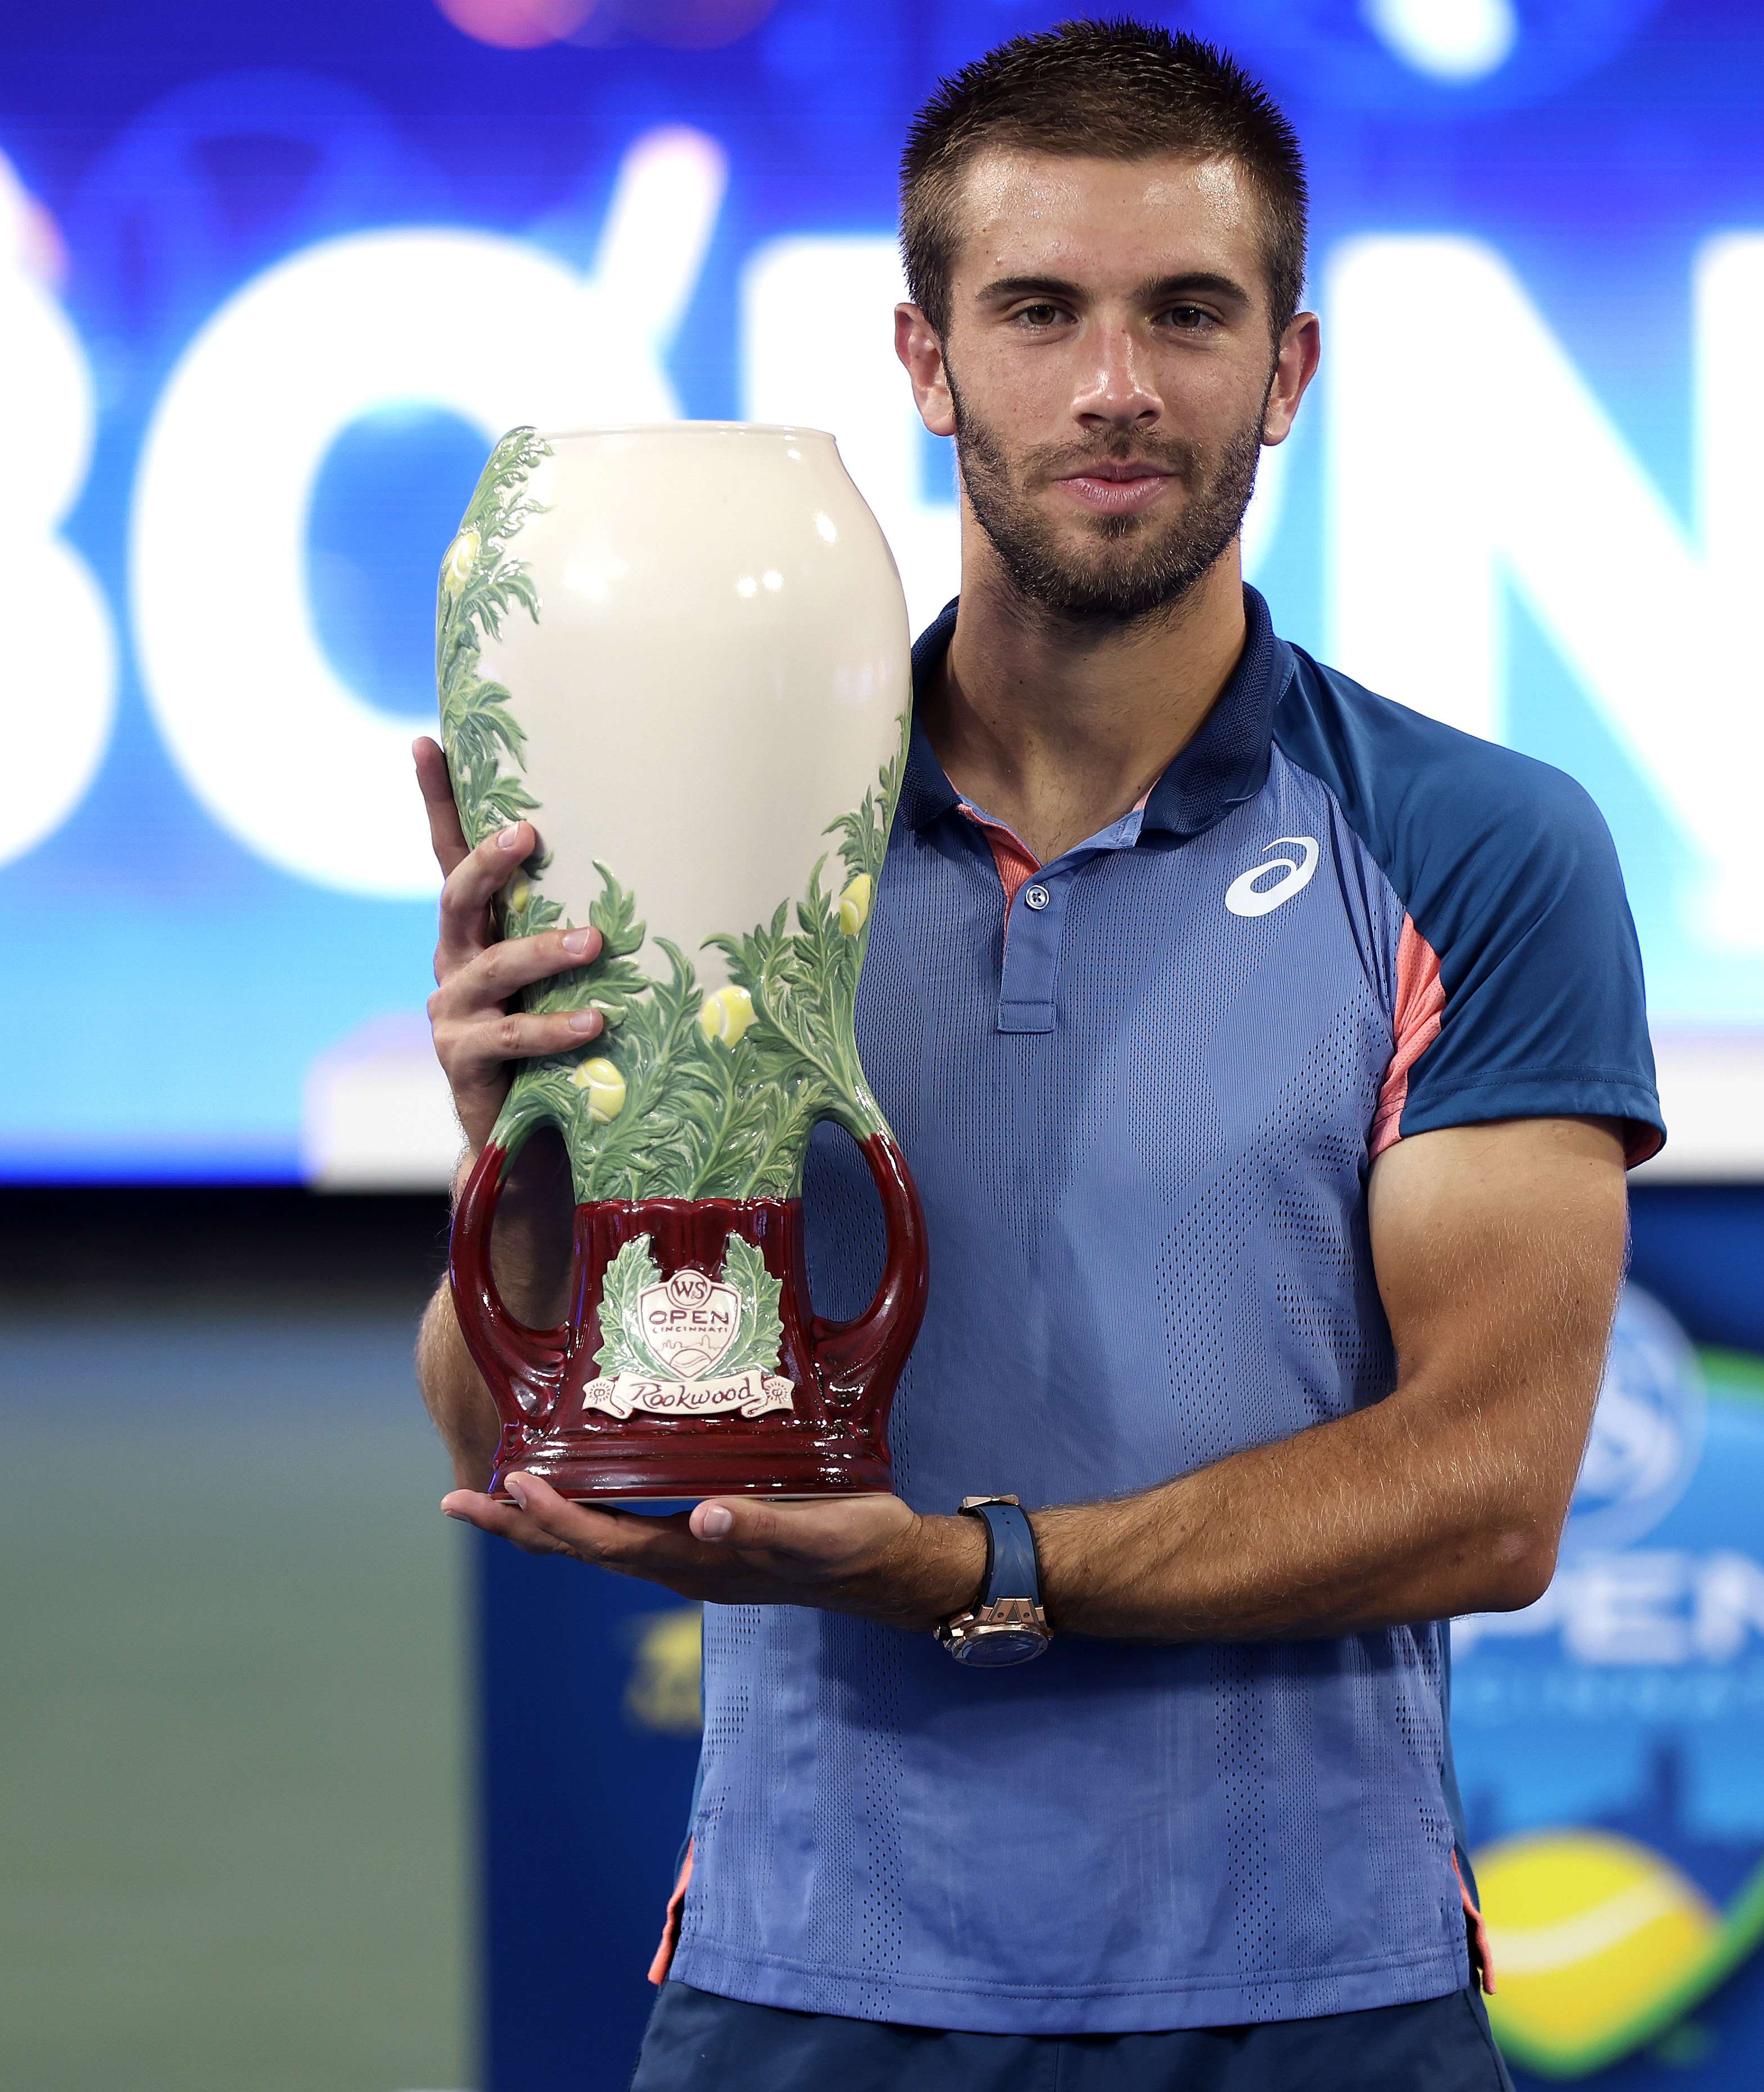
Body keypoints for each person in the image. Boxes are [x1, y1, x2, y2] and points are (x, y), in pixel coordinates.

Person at [410, 21, 1663, 2088]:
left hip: (1315, 1997)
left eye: (1188, 314)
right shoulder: (704, 839)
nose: (1115, 385)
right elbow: (507, 1444)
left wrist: (983, 1572)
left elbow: (1486, 1494)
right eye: (1038, 312)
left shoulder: (1474, 846)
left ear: (1290, 368)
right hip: (809, 1984)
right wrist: (528, 1156)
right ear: (924, 363)